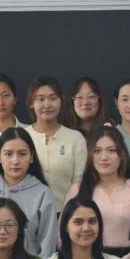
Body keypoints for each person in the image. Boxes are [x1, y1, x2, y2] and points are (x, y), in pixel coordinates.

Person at [0, 127, 57, 259]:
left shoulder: (43, 194)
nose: (15, 161)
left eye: (22, 154)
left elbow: (47, 246)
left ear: (31, 156)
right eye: (8, 154)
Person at [64, 126, 130, 257]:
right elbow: (62, 237)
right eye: (97, 151)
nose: (104, 157)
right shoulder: (76, 191)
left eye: (111, 150)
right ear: (90, 155)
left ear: (121, 154)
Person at [24, 76, 87, 211]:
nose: (47, 105)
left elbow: (79, 182)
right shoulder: (22, 137)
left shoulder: (75, 139)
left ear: (61, 101)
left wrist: (68, 214)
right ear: (31, 103)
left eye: (53, 98)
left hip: (66, 214)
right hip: (27, 214)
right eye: (41, 99)